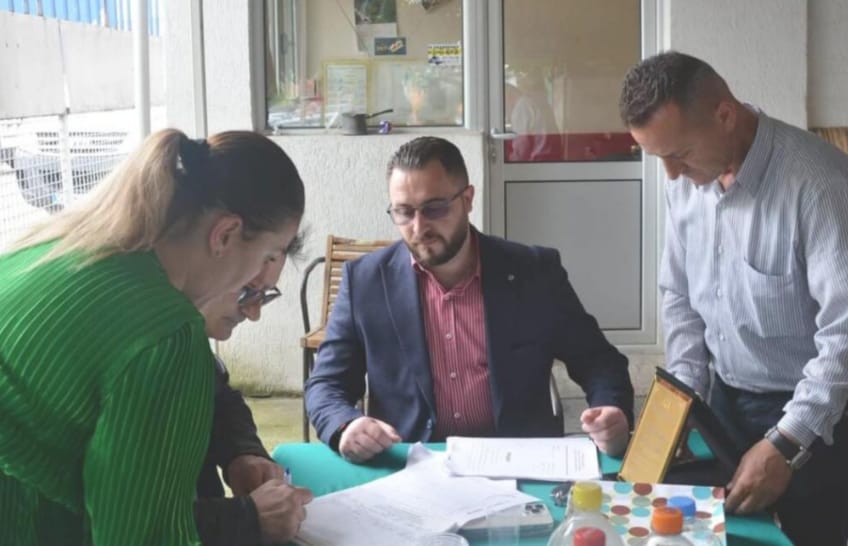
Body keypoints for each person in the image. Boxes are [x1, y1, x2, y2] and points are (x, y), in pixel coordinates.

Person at [0, 129, 305, 546]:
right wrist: (246, 523)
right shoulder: (165, 332)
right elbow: (143, 536)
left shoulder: (51, 250)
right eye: (267, 257)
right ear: (225, 235)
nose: (253, 291)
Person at [619, 51, 848, 546]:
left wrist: (787, 442)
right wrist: (680, 400)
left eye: (678, 154)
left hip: (815, 414)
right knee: (721, 536)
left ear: (724, 114)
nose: (671, 175)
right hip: (725, 400)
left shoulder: (819, 185)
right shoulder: (688, 182)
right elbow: (679, 295)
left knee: (810, 535)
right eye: (658, 158)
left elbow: (844, 333)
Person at [305, 136, 634, 463]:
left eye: (434, 208)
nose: (419, 227)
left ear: (467, 199)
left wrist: (611, 410)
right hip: (411, 465)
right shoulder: (365, 282)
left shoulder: (533, 272)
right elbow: (326, 384)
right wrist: (346, 425)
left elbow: (598, 361)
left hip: (518, 463)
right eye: (404, 212)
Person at [195, 263, 313, 544]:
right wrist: (242, 518)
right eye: (247, 290)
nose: (254, 313)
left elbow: (222, 401)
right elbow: (126, 522)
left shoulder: (189, 338)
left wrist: (243, 453)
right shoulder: (133, 346)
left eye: (264, 295)